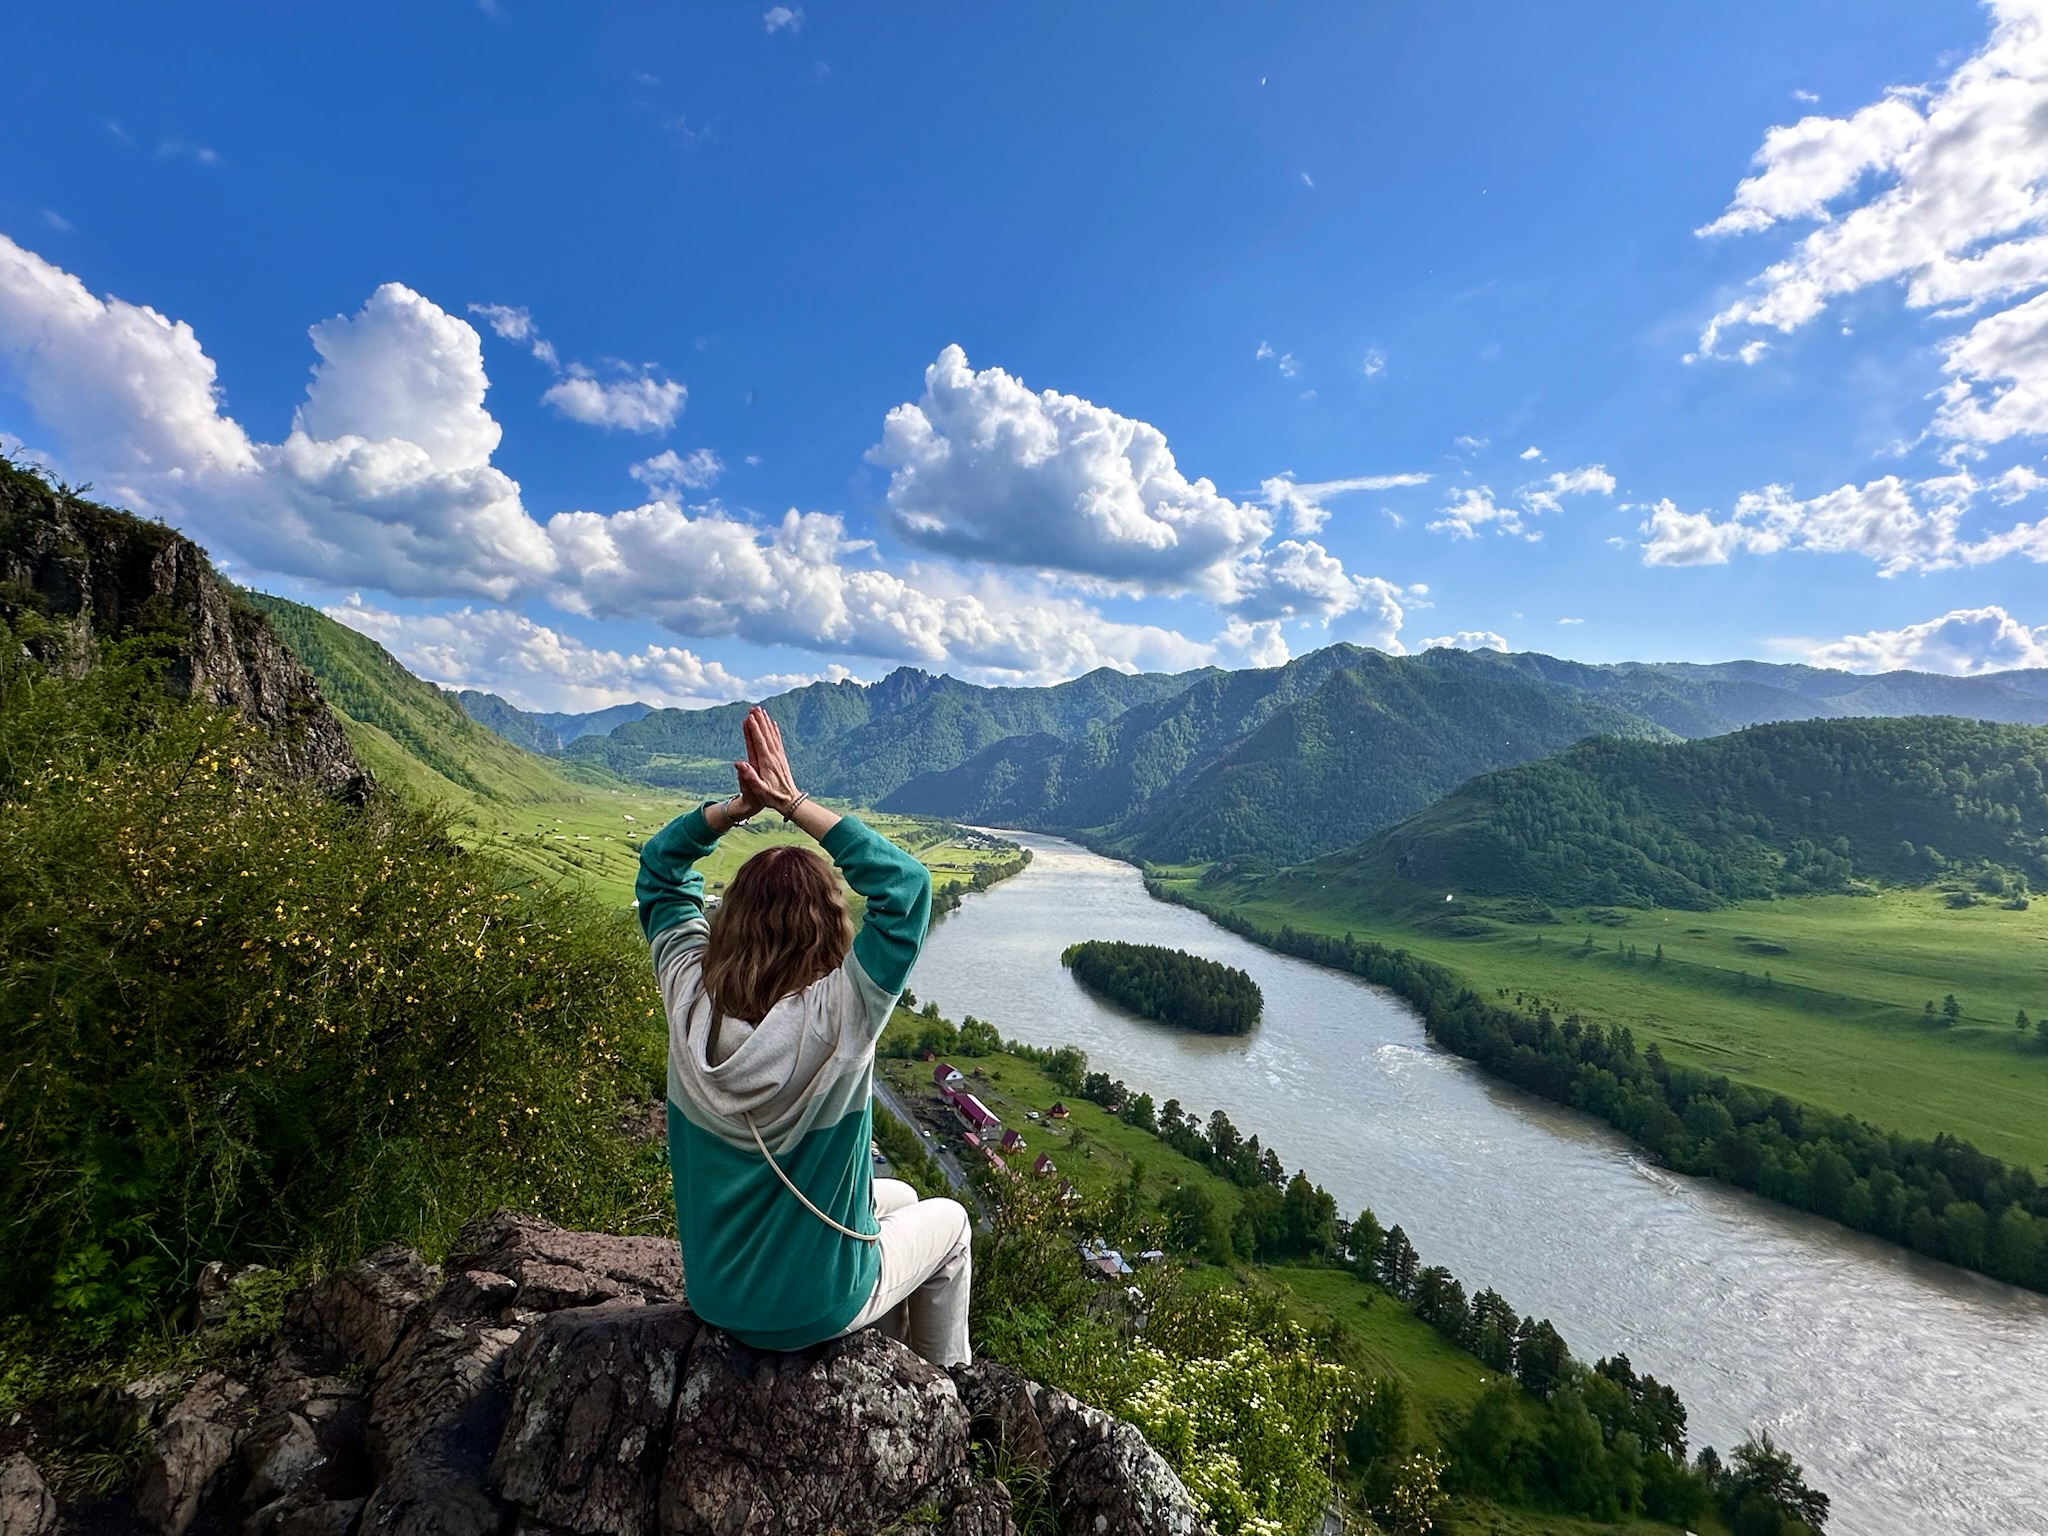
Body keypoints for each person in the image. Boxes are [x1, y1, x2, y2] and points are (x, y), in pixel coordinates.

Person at [635, 705, 972, 1367]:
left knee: (898, 1197)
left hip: (717, 1296)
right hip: (816, 1305)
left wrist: (733, 811)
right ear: (827, 929)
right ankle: (946, 1387)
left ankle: (891, 1354)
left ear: (729, 919)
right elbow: (906, 889)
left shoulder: (686, 998)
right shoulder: (841, 1014)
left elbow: (660, 875)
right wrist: (792, 803)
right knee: (952, 1225)